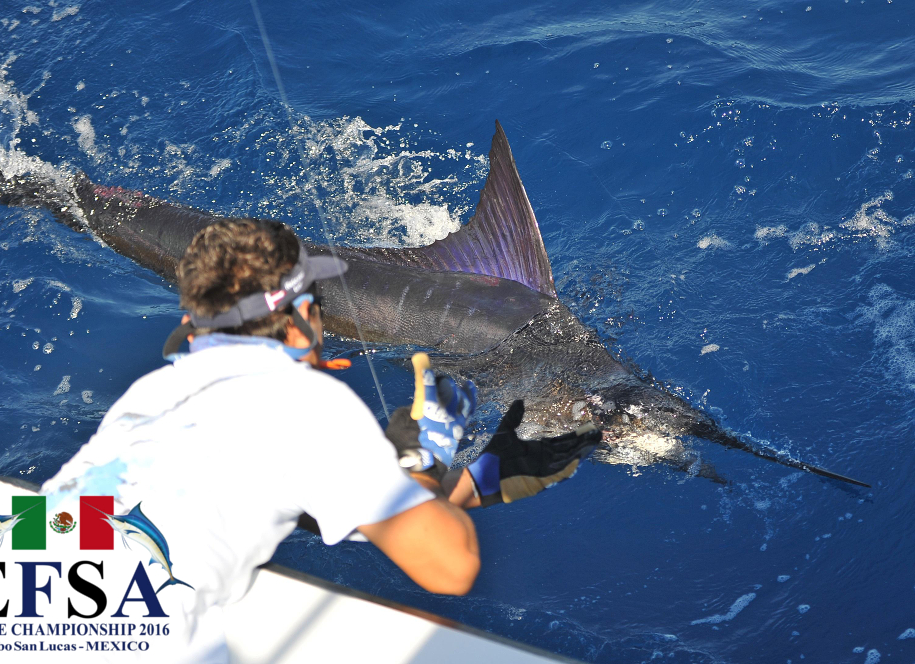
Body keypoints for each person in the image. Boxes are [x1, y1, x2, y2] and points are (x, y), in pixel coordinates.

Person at [39, 217, 601, 661]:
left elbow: (299, 497)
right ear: (301, 320)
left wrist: (438, 484)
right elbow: (450, 569)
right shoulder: (309, 403)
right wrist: (423, 457)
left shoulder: (152, 393)